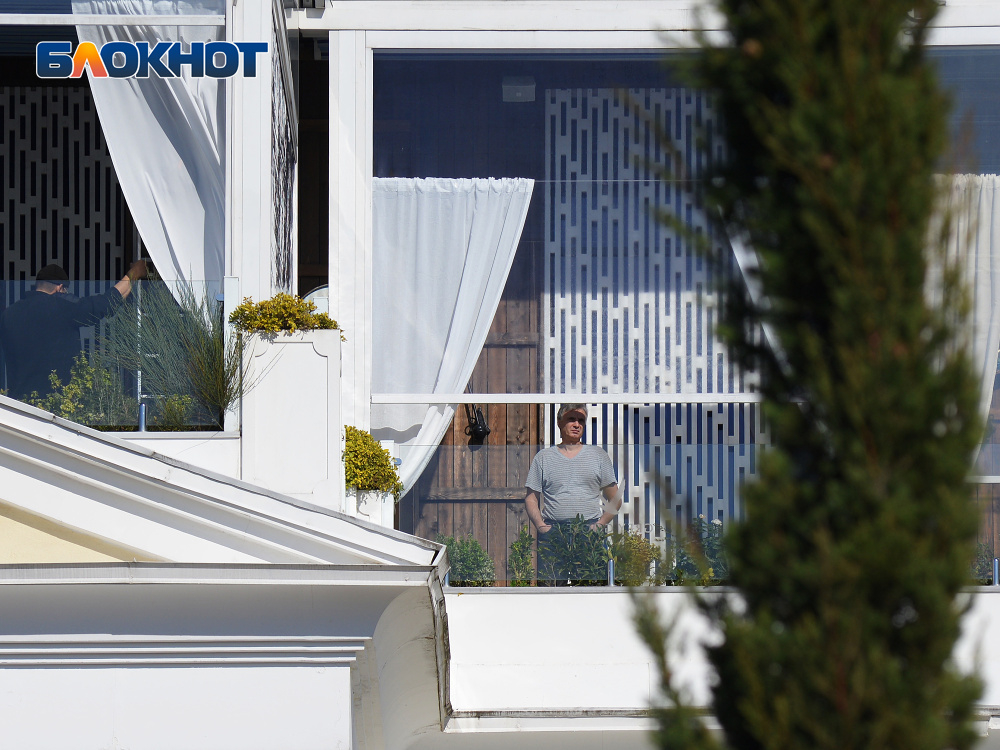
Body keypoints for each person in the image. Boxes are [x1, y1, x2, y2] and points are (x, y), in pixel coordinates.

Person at [0, 260, 147, 400]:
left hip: (18, 405)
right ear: (60, 288)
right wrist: (133, 274)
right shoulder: (61, 307)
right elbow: (104, 305)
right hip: (58, 404)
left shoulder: (9, 314)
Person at [524, 403, 622, 584]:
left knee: (590, 588)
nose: (577, 424)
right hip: (554, 532)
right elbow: (531, 498)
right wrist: (541, 526)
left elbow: (615, 499)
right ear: (559, 422)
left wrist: (600, 525)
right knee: (551, 589)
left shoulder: (598, 456)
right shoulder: (543, 458)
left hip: (589, 532)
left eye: (581, 420)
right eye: (571, 419)